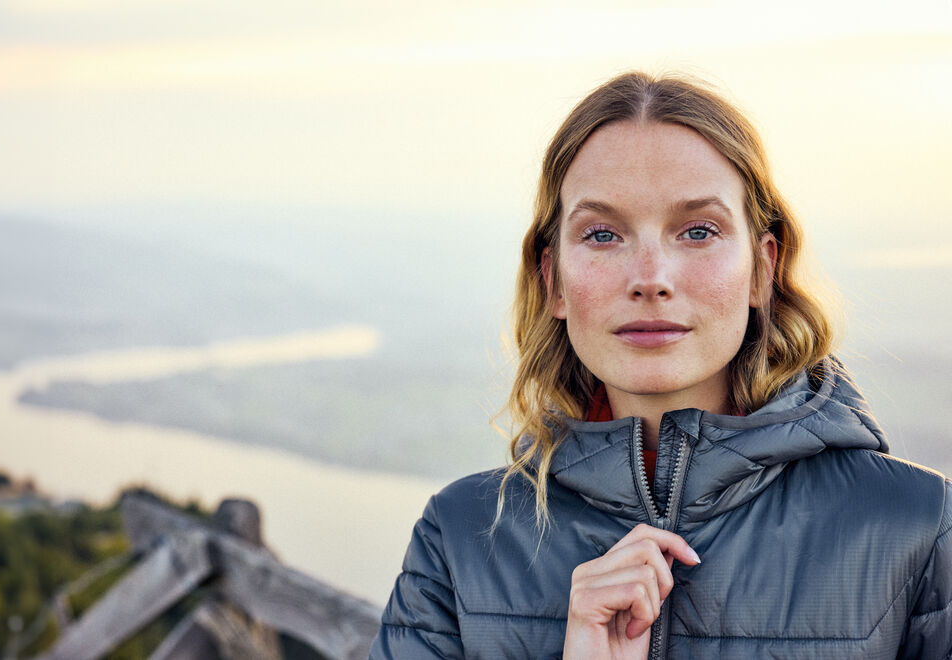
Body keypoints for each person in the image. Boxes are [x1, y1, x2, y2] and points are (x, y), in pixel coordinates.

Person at [369, 71, 952, 659]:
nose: (651, 278)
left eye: (698, 231)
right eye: (602, 235)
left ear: (762, 268)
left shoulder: (919, 529)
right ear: (554, 281)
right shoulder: (461, 537)